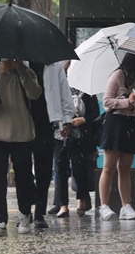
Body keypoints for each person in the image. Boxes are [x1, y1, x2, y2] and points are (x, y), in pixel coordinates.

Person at [0, 59, 42, 236]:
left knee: (24, 178)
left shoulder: (26, 73)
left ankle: (25, 215)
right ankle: (0, 220)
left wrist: (22, 71)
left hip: (22, 133)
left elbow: (35, 94)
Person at [98, 53, 135, 221]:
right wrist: (126, 102)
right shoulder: (117, 75)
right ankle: (104, 205)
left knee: (125, 167)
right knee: (109, 167)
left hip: (130, 122)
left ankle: (126, 206)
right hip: (115, 123)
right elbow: (107, 101)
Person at [27, 62, 75, 228]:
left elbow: (64, 93)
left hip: (46, 123)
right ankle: (25, 210)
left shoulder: (53, 66)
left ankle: (39, 213)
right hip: (23, 121)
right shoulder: (19, 63)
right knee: (23, 169)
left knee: (44, 170)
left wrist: (67, 120)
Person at [50, 60, 99, 218]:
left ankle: (81, 200)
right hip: (62, 134)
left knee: (80, 169)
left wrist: (83, 120)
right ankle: (62, 204)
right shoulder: (58, 90)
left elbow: (95, 114)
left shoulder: (87, 92)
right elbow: (53, 110)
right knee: (60, 169)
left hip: (81, 136)